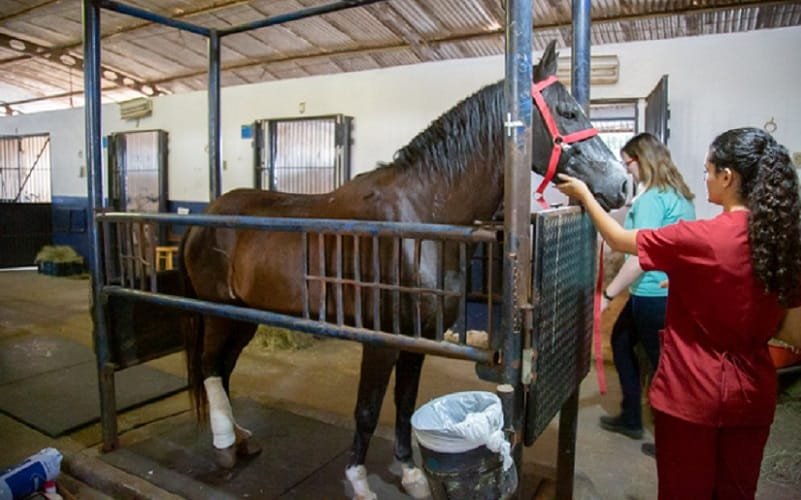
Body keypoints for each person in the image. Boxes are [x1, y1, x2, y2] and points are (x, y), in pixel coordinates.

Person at [556, 127, 801, 499]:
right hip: (752, 393)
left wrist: (586, 196)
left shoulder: (701, 237)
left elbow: (621, 241)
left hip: (692, 393)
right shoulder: (782, 241)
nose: (704, 177)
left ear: (728, 176)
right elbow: (791, 330)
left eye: (708, 169)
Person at [599, 133, 696, 447]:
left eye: (629, 164)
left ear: (641, 159)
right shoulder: (678, 195)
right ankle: (631, 416)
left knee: (662, 367)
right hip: (668, 291)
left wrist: (608, 295)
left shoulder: (653, 198)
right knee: (623, 341)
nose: (629, 171)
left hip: (652, 294)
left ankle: (676, 437)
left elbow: (643, 256)